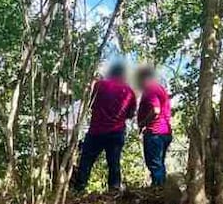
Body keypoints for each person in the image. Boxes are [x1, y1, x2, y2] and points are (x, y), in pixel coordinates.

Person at [72, 62, 136, 192]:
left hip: (96, 131)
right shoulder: (129, 91)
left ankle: (79, 189)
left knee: (87, 161)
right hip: (116, 132)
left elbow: (91, 104)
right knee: (114, 162)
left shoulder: (100, 85)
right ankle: (114, 189)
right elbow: (130, 114)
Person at [136, 66, 173, 187]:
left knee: (155, 164)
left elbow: (156, 110)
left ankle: (159, 190)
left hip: (155, 133)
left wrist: (143, 123)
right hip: (165, 132)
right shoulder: (160, 88)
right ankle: (161, 189)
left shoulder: (150, 89)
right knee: (158, 164)